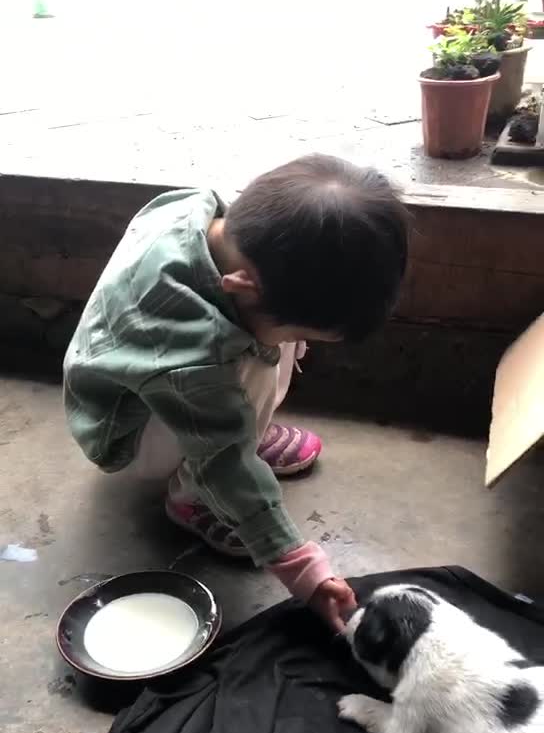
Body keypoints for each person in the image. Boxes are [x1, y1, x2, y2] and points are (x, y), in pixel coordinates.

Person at [64, 154, 408, 630]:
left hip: (162, 382)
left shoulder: (201, 214)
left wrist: (286, 334)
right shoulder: (197, 356)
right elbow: (225, 459)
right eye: (296, 331)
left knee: (263, 347)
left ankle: (238, 425)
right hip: (123, 428)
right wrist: (300, 567)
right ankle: (192, 496)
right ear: (240, 285)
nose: (296, 343)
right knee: (250, 368)